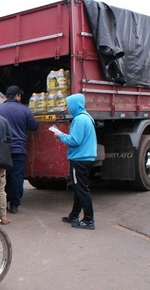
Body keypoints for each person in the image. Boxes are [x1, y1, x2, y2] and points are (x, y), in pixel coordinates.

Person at [54, 93, 97, 230]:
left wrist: (60, 135)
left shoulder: (79, 120)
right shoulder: (87, 117)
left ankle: (89, 220)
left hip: (79, 159)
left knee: (81, 189)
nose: (66, 107)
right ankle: (74, 215)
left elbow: (75, 141)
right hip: (86, 158)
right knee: (79, 188)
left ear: (74, 105)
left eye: (68, 104)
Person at [0, 85, 38, 214]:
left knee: (0, 176)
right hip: (18, 149)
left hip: (2, 150)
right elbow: (34, 126)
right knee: (16, 176)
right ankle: (14, 205)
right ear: (17, 96)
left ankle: (0, 203)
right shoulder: (24, 110)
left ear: (6, 96)